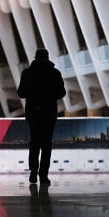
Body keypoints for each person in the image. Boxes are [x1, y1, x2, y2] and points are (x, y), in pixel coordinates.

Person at [16, 48, 66, 185]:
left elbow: (21, 93)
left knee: (34, 142)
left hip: (33, 113)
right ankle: (43, 175)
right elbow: (61, 93)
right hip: (49, 113)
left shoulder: (27, 73)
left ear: (35, 57)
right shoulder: (55, 73)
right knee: (46, 145)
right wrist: (49, 96)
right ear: (48, 57)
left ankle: (33, 171)